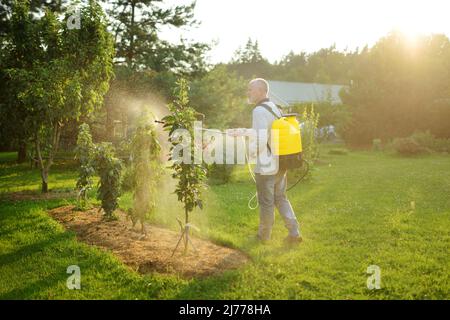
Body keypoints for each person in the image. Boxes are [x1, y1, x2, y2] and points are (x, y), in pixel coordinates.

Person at [247, 78, 302, 244]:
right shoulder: (275, 108)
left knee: (266, 202)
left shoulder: (258, 111)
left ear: (261, 91)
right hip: (281, 162)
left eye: (251, 90)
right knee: (281, 198)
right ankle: (294, 233)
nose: (248, 93)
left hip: (266, 166)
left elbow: (261, 139)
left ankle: (263, 237)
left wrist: (250, 153)